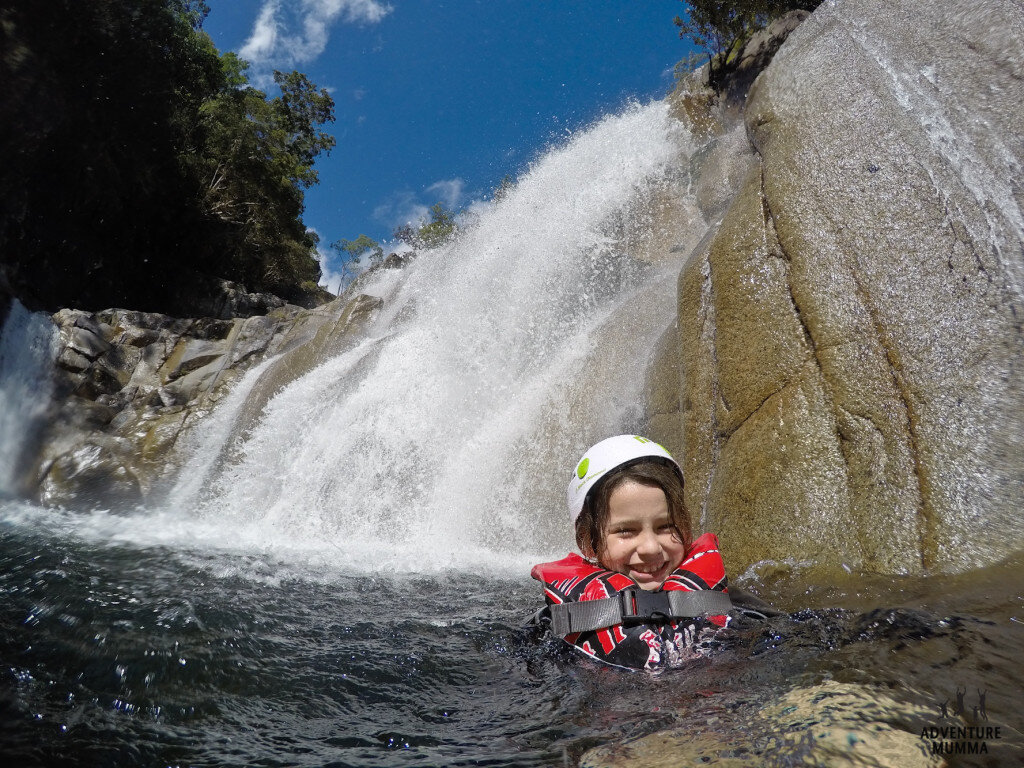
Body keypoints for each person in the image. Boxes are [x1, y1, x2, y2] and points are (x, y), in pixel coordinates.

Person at [530, 434, 736, 670]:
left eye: (666, 526)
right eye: (626, 531)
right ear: (588, 540)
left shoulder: (730, 602)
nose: (650, 548)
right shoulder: (557, 622)